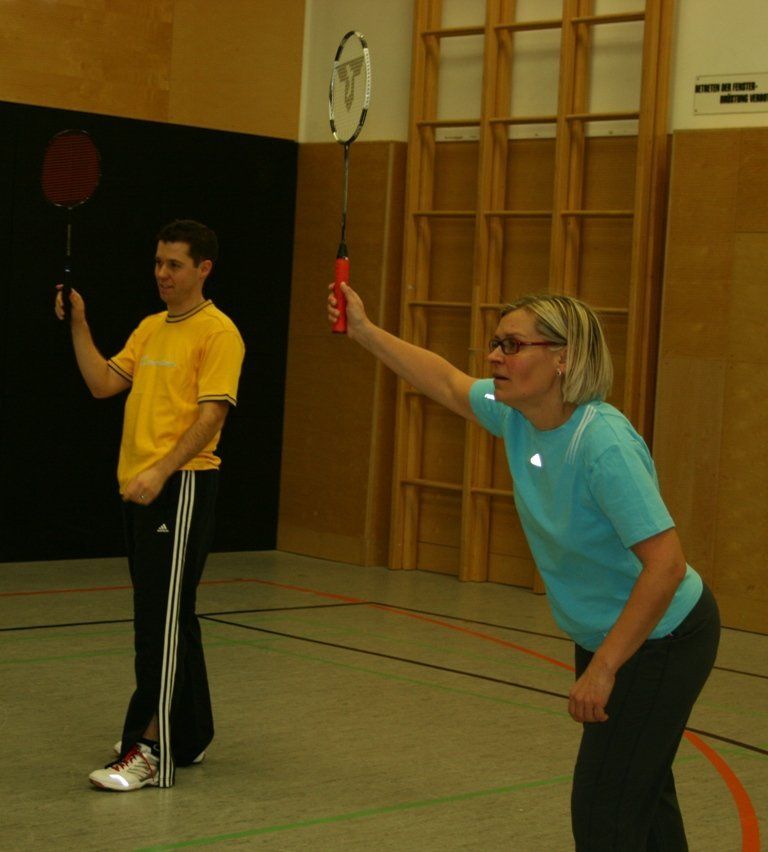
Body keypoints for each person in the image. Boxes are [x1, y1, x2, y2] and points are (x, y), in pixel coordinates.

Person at [328, 283, 720, 850]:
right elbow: (445, 380)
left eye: (511, 345)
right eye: (495, 343)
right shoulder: (517, 416)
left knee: (605, 814)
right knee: (641, 797)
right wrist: (364, 331)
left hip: (663, 639)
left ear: (563, 358)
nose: (493, 356)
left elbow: (666, 566)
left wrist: (603, 668)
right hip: (609, 632)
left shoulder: (603, 444)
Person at [55, 219, 245, 792]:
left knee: (157, 624)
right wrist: (80, 323)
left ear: (203, 269)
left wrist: (162, 471)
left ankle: (151, 749)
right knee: (172, 614)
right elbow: (101, 383)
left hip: (181, 486)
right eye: (159, 262)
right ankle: (190, 733)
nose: (162, 273)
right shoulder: (150, 328)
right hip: (139, 489)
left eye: (174, 265)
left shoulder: (219, 333)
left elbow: (212, 416)